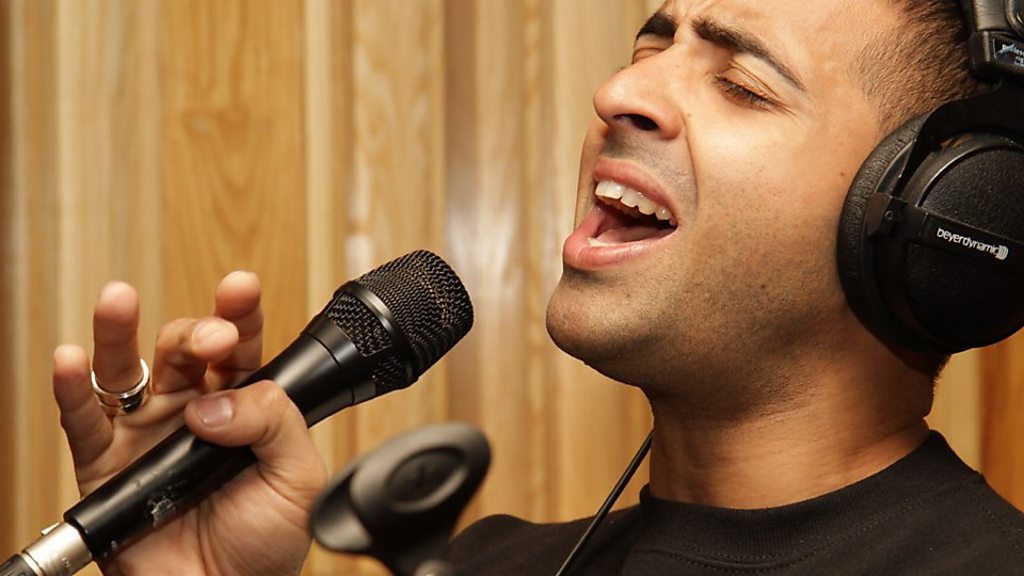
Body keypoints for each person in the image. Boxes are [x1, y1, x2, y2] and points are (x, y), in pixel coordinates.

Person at [53, 0, 1024, 574]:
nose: (618, 93)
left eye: (741, 84)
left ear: (942, 218)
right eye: (650, 49)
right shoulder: (483, 565)